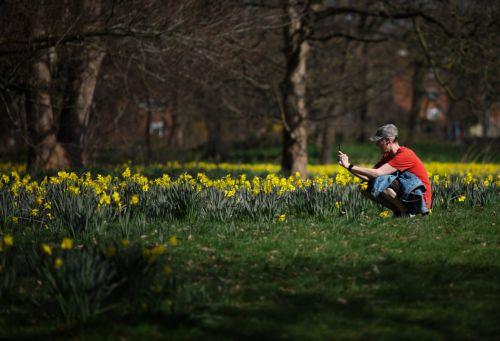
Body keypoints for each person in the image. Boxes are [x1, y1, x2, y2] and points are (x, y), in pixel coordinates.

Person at [337, 124, 432, 217]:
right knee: (365, 187)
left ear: (387, 141)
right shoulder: (388, 155)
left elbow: (378, 173)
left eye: (379, 141)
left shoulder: (405, 155)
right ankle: (399, 212)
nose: (376, 144)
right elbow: (369, 176)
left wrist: (349, 165)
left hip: (419, 200)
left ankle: (407, 213)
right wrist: (347, 167)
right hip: (407, 193)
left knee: (381, 182)